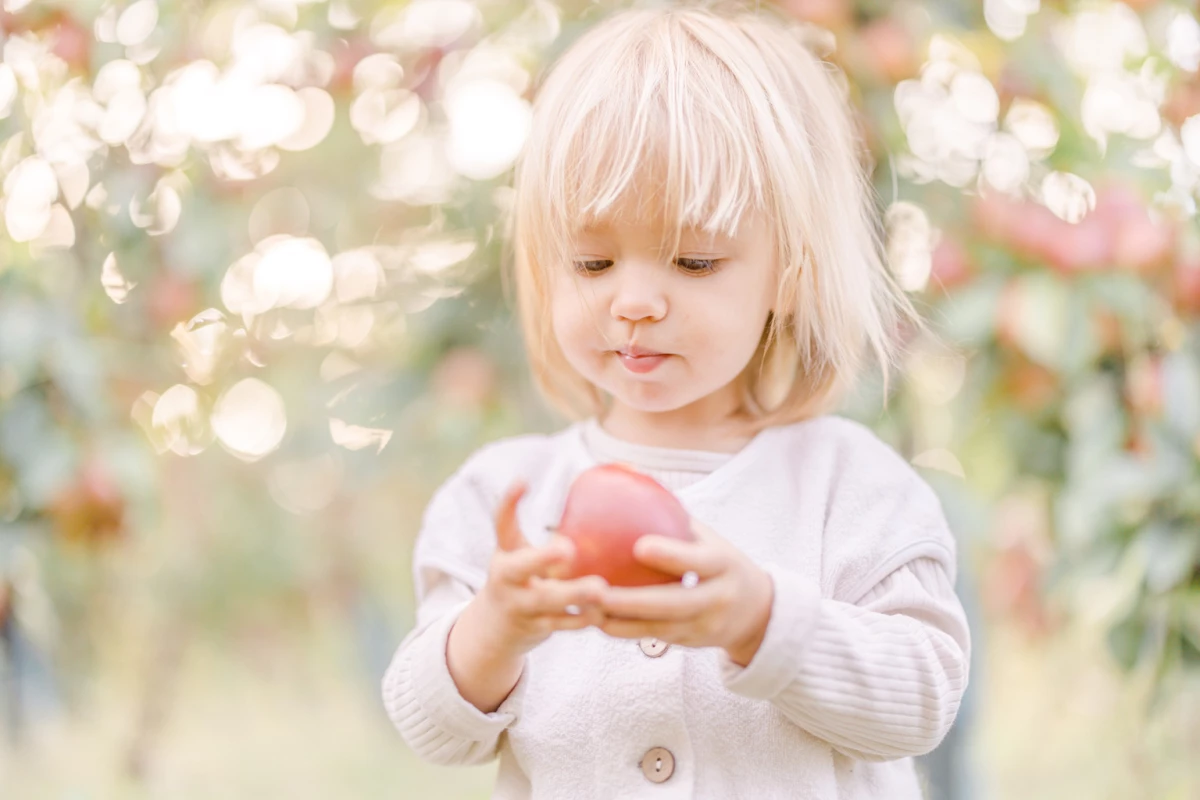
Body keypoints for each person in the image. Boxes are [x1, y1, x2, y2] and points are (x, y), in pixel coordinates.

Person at [382, 3, 971, 797]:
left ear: (788, 278)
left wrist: (763, 620)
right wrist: (494, 628)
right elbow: (429, 726)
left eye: (693, 260)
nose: (633, 301)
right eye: (592, 263)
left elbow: (923, 698)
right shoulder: (505, 500)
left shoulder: (850, 490)